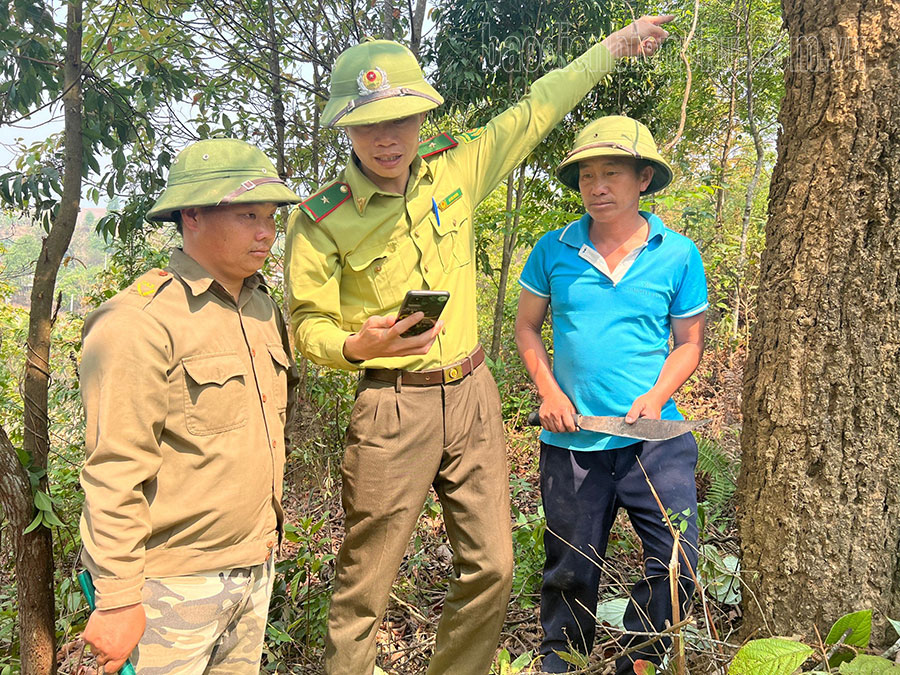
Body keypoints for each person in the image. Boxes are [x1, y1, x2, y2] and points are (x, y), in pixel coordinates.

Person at [285, 18, 673, 675]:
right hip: (391, 407)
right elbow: (305, 323)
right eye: (370, 125)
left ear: (421, 117)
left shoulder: (456, 165)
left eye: (400, 120)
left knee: (493, 566)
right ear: (347, 128)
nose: (388, 138)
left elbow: (538, 108)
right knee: (365, 583)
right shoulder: (322, 218)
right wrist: (355, 344)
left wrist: (611, 48)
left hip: (471, 395)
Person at [79, 138, 300, 674]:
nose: (266, 232)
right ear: (192, 216)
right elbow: (114, 469)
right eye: (248, 215)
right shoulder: (138, 322)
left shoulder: (262, 310)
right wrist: (118, 599)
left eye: (270, 217)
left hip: (253, 568)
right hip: (169, 586)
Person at [514, 115, 708, 673]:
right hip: (572, 441)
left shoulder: (677, 253)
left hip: (655, 438)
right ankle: (564, 662)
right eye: (586, 176)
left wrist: (657, 395)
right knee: (571, 568)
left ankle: (639, 662)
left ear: (643, 178)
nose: (597, 187)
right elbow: (527, 327)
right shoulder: (553, 250)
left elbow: (689, 344)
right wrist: (549, 392)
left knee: (676, 562)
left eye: (612, 173)